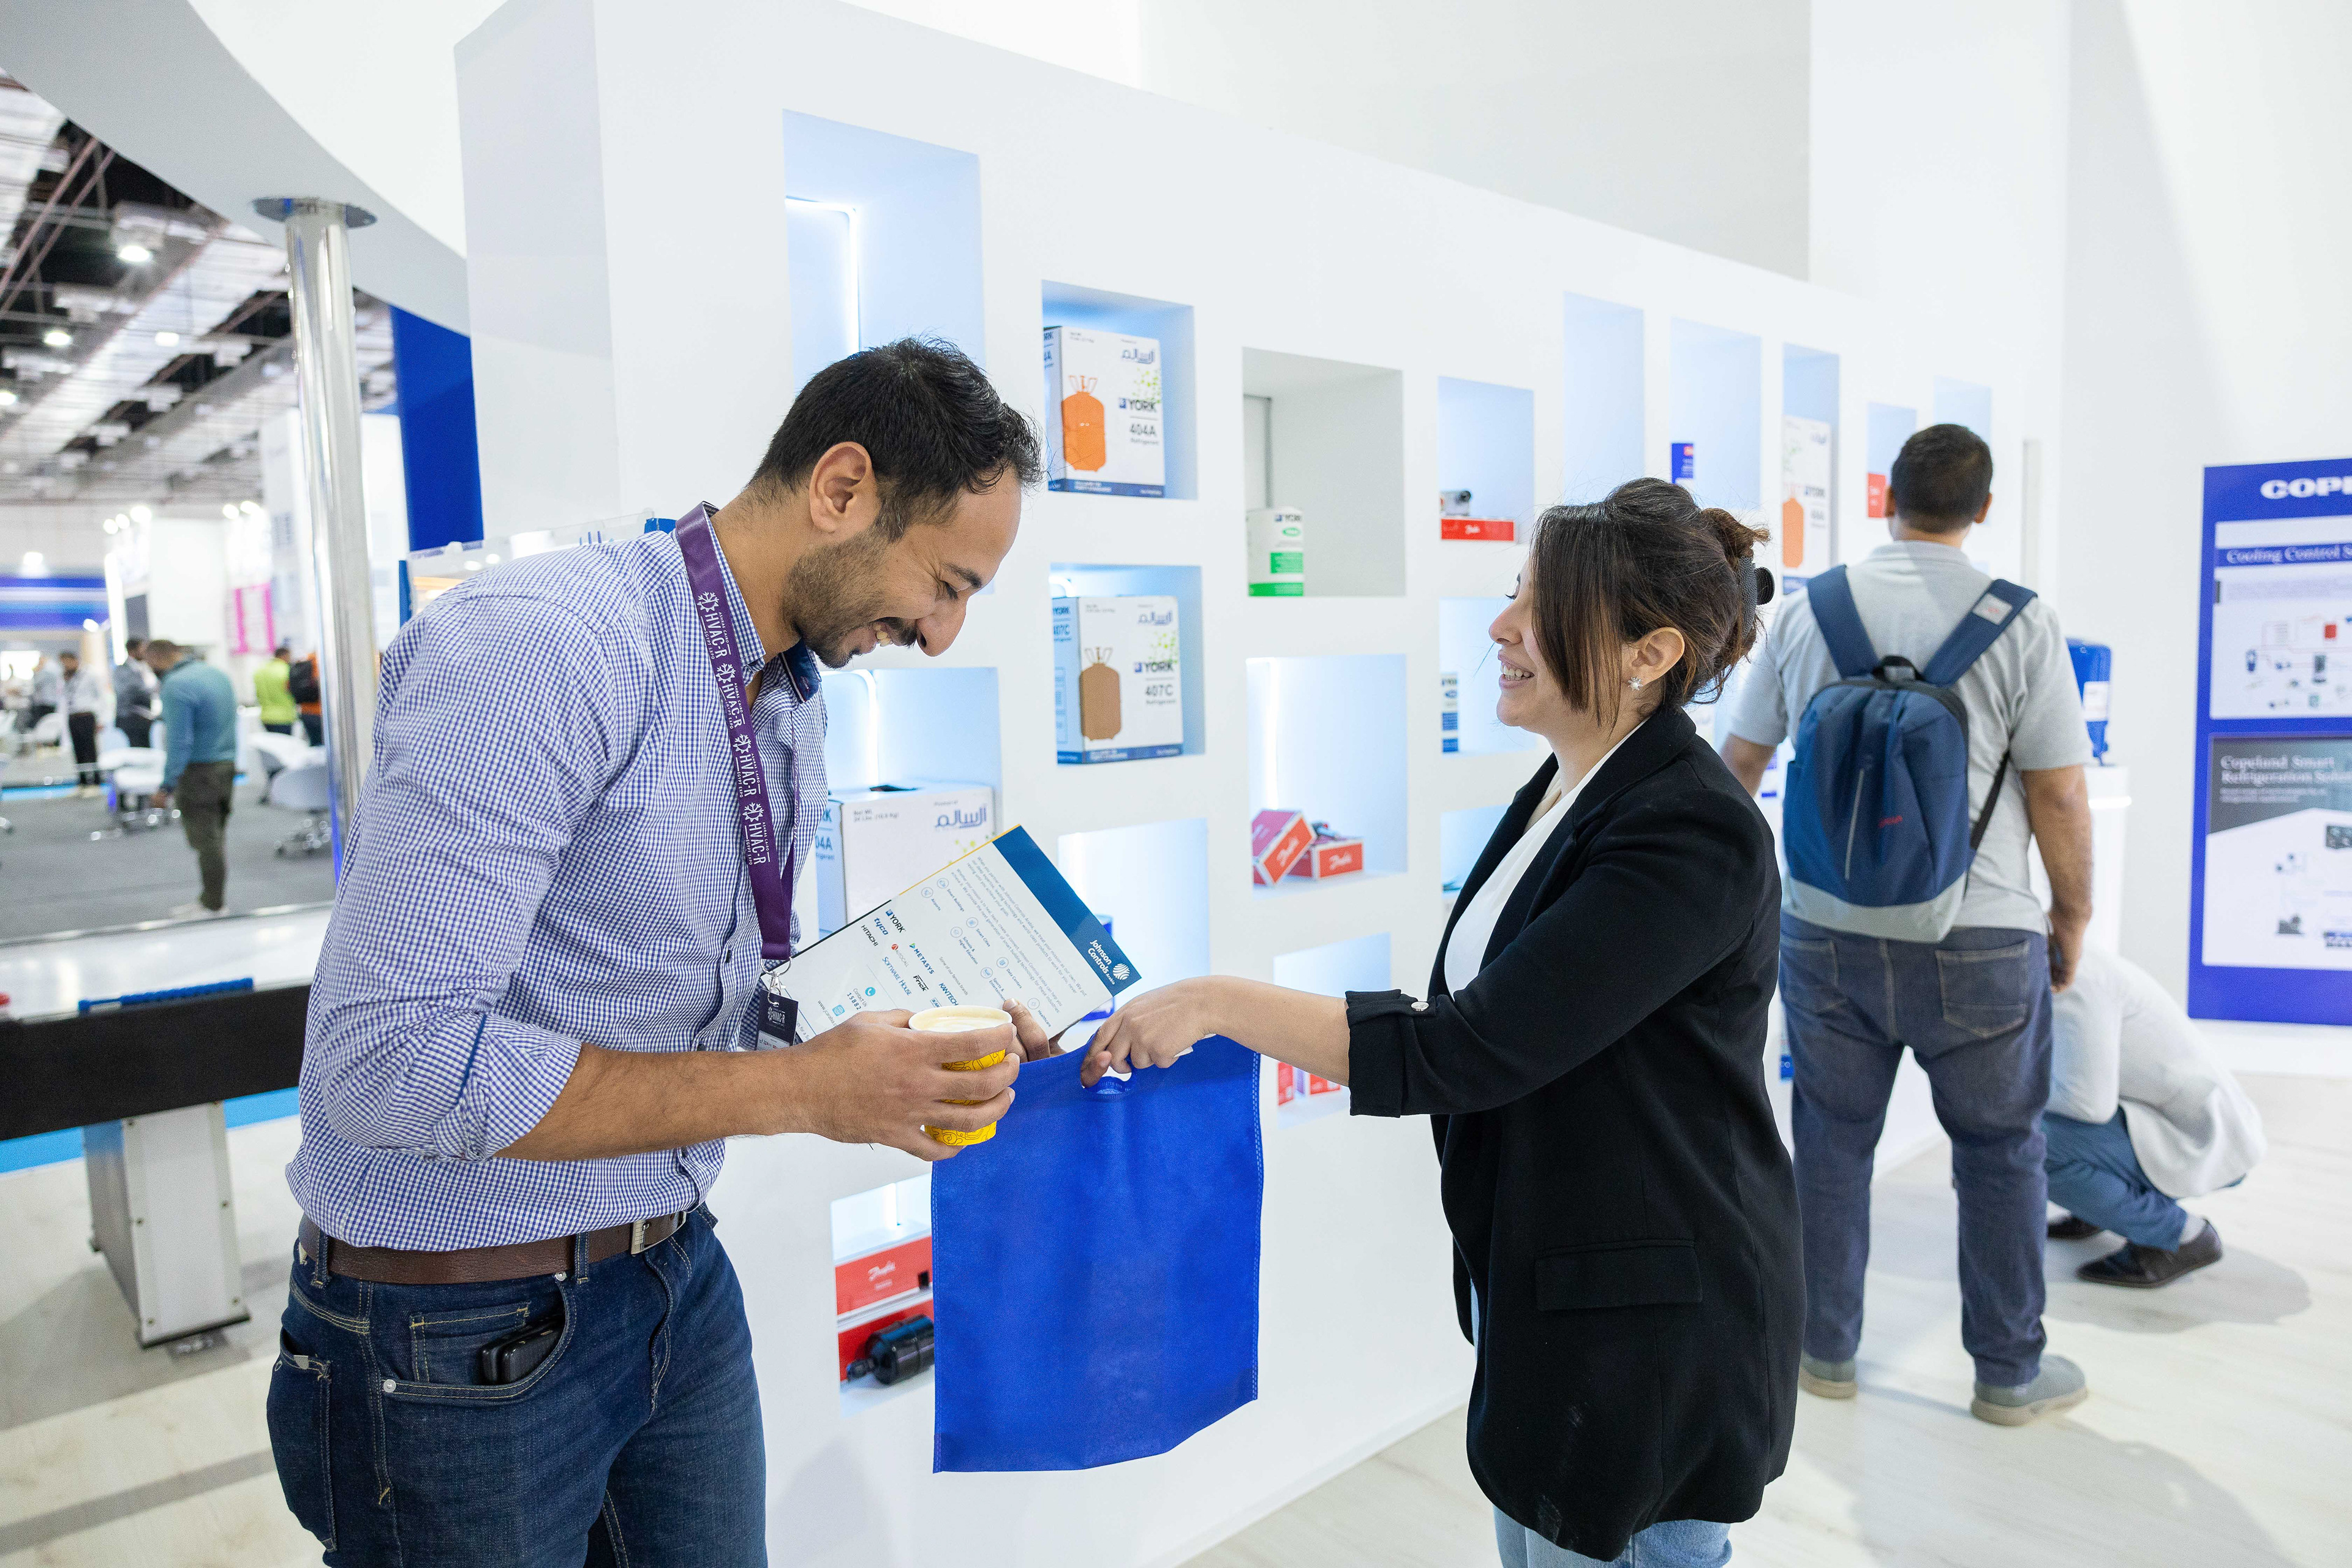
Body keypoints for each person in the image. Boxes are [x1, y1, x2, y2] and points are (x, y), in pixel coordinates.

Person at [269, 340, 1051, 1567]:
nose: (943, 634)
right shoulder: (544, 645)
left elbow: (700, 996)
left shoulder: (787, 693)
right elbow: (388, 1064)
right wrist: (807, 1092)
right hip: (454, 1329)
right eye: (946, 584)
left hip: (672, 1275)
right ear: (842, 488)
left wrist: (912, 1045)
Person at [1089, 480, 1800, 1568]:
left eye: (1542, 607)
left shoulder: (1693, 831)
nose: (1502, 626)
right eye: (1515, 592)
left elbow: (1462, 1050)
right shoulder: (1569, 788)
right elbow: (1483, 1023)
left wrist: (1220, 1004)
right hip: (1555, 1297)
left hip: (1648, 1334)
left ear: (1649, 655)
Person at [1720, 423, 2097, 1427]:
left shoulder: (1810, 612)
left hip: (1825, 932)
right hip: (1982, 938)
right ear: (1983, 509)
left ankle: (1823, 1352)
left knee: (1830, 1143)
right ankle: (2007, 1375)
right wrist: (2071, 914)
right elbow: (2059, 794)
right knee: (2001, 1152)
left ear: (1886, 497)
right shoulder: (2022, 622)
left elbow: (1738, 766)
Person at [2045, 946, 2263, 1287]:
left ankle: (2182, 1237)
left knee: (2029, 1141)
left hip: (2200, 1137)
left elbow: (2089, 1105)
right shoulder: (2069, 963)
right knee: (2032, 1124)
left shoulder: (2075, 981)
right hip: (2178, 1118)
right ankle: (2098, 1207)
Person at [143, 638, 239, 917]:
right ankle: (213, 899)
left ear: (157, 659)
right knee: (216, 836)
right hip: (225, 765)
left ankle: (213, 903)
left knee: (206, 840)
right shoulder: (217, 674)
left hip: (199, 772)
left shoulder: (175, 685)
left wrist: (166, 786)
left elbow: (179, 741)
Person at [59, 650, 104, 793]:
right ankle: (83, 782)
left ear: (75, 660)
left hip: (87, 716)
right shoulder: (66, 677)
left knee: (90, 750)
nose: (65, 665)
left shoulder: (90, 674)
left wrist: (101, 719)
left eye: (67, 662)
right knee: (78, 751)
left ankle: (95, 782)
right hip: (73, 716)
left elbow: (100, 696)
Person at [113, 636, 157, 748]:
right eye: (143, 650)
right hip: (131, 717)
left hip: (146, 716)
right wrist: (151, 691)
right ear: (133, 651)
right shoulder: (122, 670)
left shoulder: (145, 667)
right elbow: (126, 692)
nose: (146, 653)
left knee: (146, 748)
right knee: (138, 749)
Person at [252, 642, 296, 735]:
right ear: (285, 656)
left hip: (266, 717)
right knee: (285, 743)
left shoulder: (261, 671)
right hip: (284, 717)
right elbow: (290, 690)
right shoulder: (286, 670)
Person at [286, 649, 323, 746]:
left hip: (305, 711)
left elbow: (288, 687)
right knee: (323, 745)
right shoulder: (320, 663)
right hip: (319, 711)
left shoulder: (301, 662)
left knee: (314, 743)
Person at [26, 650, 59, 730]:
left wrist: (36, 672)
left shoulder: (46, 670)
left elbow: (36, 683)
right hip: (50, 701)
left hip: (45, 702)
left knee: (42, 723)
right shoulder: (54, 669)